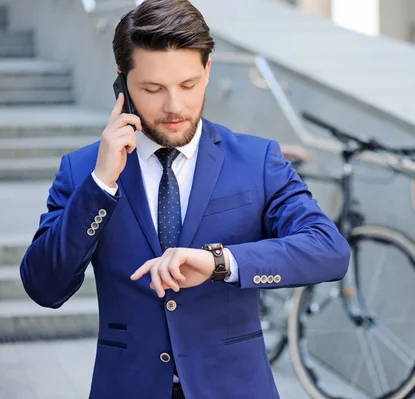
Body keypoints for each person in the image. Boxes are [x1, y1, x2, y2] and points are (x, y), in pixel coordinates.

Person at [19, 0, 350, 398]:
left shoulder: (256, 160)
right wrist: (101, 184)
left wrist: (219, 262)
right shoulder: (83, 171)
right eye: (154, 89)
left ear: (208, 71)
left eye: (188, 85)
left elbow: (329, 250)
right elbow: (44, 286)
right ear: (122, 82)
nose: (174, 106)